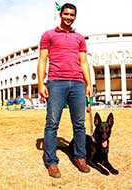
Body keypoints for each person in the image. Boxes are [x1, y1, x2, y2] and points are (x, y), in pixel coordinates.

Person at [37, 3, 92, 178]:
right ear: (60, 14)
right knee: (52, 124)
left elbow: (83, 62)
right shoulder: (48, 35)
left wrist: (88, 83)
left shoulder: (79, 38)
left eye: (72, 14)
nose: (69, 17)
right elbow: (42, 61)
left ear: (75, 16)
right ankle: (51, 162)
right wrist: (40, 84)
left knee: (79, 124)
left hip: (77, 84)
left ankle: (80, 157)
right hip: (56, 83)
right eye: (66, 13)